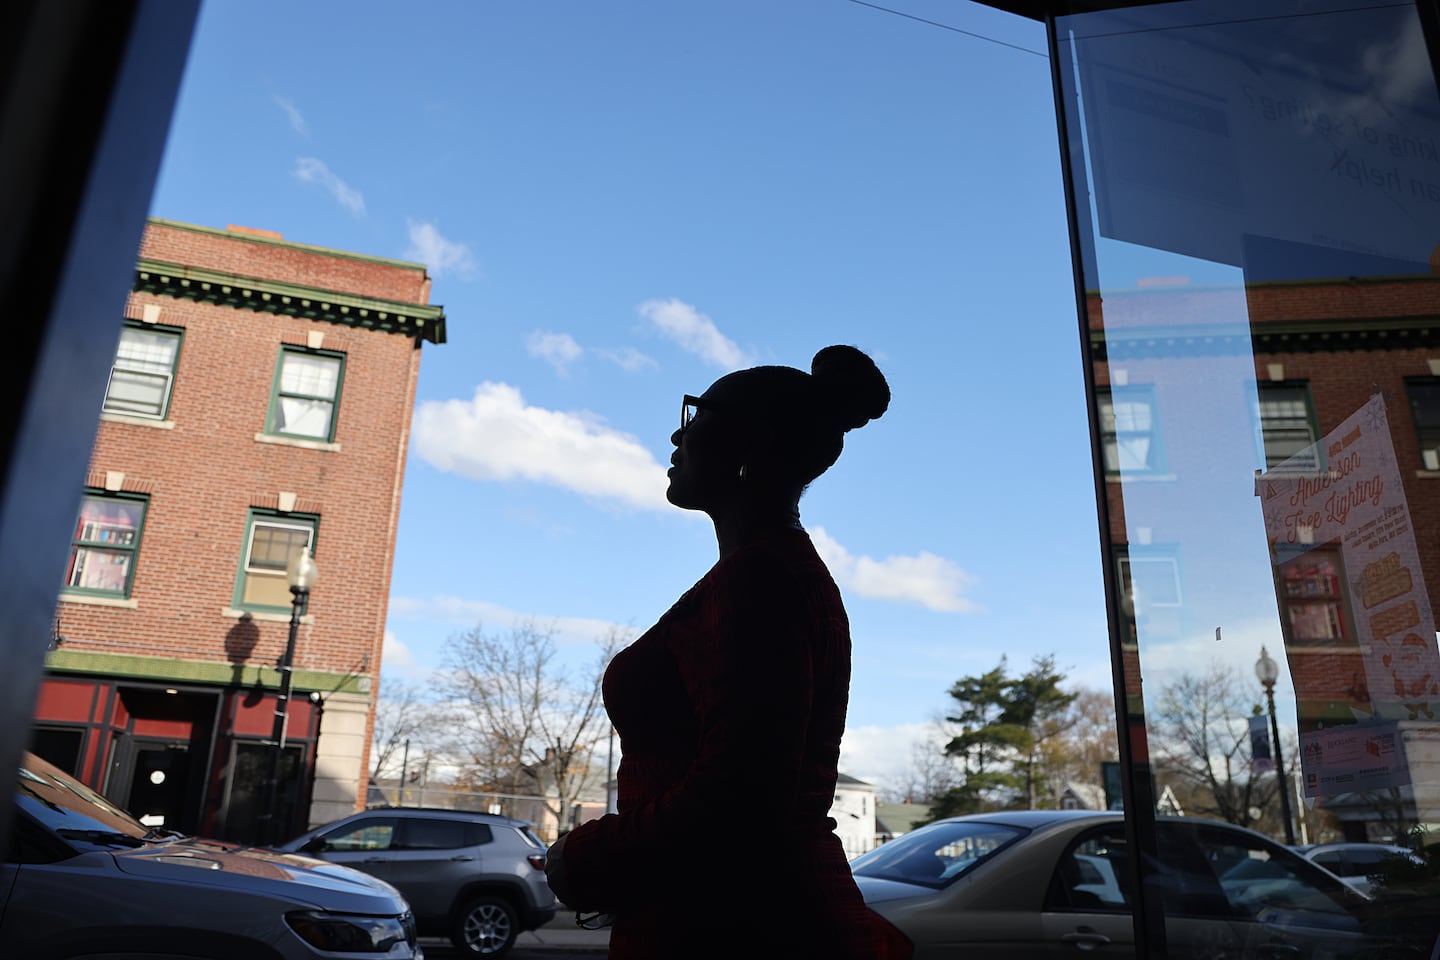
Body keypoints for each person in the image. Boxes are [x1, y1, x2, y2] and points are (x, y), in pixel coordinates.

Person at [544, 345, 909, 958]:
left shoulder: (761, 582)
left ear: (747, 446)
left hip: (740, 926)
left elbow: (740, 796)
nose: (676, 435)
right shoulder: (771, 575)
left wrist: (580, 859)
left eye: (698, 416)